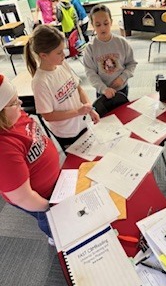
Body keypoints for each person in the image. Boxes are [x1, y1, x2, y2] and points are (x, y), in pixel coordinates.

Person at [0, 74, 60, 245]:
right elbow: (24, 198)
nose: (20, 104)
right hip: (39, 199)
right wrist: (50, 208)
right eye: (12, 103)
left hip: (54, 185)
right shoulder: (3, 151)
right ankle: (54, 236)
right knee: (49, 220)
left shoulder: (15, 115)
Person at [24, 24, 100, 151]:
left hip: (81, 123)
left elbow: (78, 88)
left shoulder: (62, 64)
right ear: (43, 55)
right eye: (59, 52)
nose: (64, 55)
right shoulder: (40, 82)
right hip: (66, 133)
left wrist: (89, 108)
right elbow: (47, 115)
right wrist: (78, 111)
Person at [83, 4, 137, 99]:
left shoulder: (122, 42)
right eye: (98, 25)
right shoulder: (90, 48)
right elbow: (90, 73)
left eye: (106, 23)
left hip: (122, 88)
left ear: (111, 22)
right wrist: (103, 89)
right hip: (103, 92)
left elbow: (131, 64)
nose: (102, 28)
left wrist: (123, 77)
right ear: (92, 25)